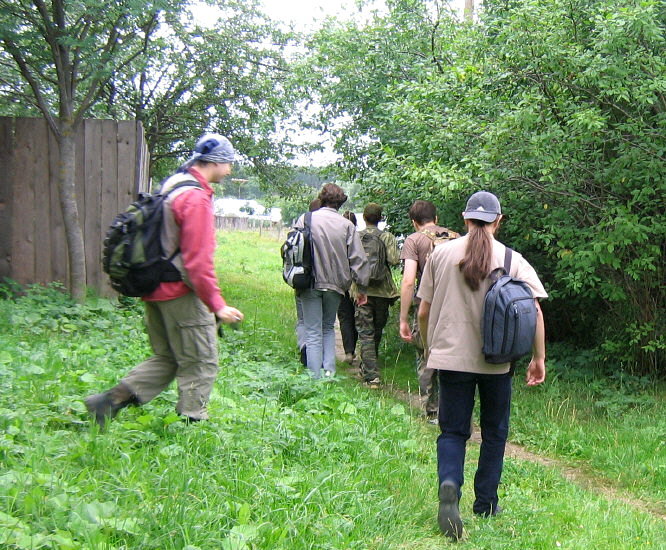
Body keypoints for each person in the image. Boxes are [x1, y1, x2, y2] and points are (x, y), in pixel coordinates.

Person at [85, 133, 244, 428]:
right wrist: (217, 305)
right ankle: (190, 428)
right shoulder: (195, 196)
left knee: (169, 357)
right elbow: (197, 262)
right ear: (218, 162)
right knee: (201, 362)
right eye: (229, 164)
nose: (230, 170)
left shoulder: (173, 184)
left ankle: (108, 402)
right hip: (179, 292)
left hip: (154, 287)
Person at [416, 191, 547, 540]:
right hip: (497, 361)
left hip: (451, 359)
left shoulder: (440, 254)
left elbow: (424, 311)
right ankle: (486, 502)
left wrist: (432, 350)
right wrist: (538, 358)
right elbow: (533, 310)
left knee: (453, 431)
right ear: (498, 221)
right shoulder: (510, 258)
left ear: (464, 218)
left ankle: (449, 484)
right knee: (494, 433)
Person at [295, 183, 369, 379]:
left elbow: (293, 248)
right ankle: (329, 374)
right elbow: (358, 259)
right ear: (340, 202)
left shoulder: (306, 219)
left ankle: (314, 379)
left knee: (312, 332)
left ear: (322, 198)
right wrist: (361, 288)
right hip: (337, 284)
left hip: (310, 282)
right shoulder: (347, 225)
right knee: (328, 327)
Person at [399, 200, 458, 418]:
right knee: (451, 355)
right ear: (436, 218)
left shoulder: (414, 240)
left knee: (425, 353)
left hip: (426, 305)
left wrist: (403, 318)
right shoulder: (456, 238)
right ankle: (451, 407)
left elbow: (408, 281)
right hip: (453, 308)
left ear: (414, 222)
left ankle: (431, 409)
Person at [353, 203, 400, 387]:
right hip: (383, 292)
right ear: (380, 218)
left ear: (364, 217)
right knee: (376, 331)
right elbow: (394, 260)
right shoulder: (386, 237)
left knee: (365, 332)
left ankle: (371, 374)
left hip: (362, 291)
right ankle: (371, 369)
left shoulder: (357, 237)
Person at [295, 198, 321, 366]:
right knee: (322, 322)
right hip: (324, 278)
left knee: (303, 319)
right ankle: (319, 356)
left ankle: (304, 347)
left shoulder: (301, 221)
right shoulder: (330, 223)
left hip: (302, 276)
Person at [337, 211, 359, 364]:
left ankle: (349, 352)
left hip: (341, 283)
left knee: (345, 317)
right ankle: (354, 348)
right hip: (356, 284)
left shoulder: (336, 240)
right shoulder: (358, 238)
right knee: (356, 316)